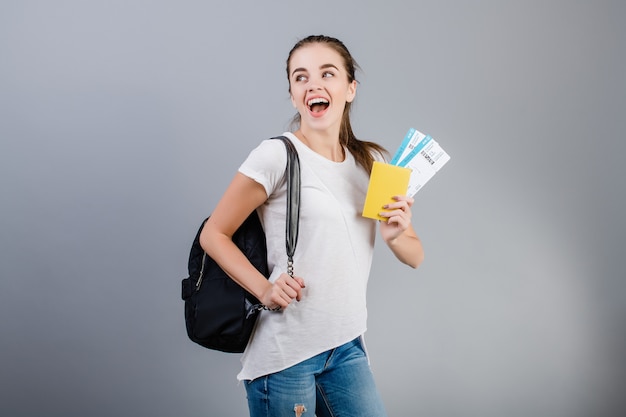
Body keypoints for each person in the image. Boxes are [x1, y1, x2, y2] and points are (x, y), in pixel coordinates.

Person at [200, 34, 424, 417]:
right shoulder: (276, 155)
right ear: (292, 94)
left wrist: (397, 233)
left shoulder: (371, 164)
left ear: (350, 88)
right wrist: (264, 289)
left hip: (347, 347)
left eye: (328, 73)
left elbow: (415, 256)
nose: (314, 85)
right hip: (287, 355)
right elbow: (213, 234)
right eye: (301, 77)